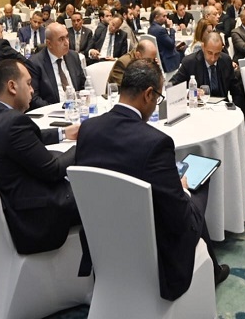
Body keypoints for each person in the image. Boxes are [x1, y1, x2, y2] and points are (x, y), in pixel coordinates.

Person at [75, 59, 229, 300]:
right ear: (148, 94)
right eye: (158, 98)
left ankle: (213, 270)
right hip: (156, 258)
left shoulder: (88, 129)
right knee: (198, 186)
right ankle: (212, 270)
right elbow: (179, 219)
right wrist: (183, 190)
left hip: (103, 245)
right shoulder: (155, 143)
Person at [0, 59, 80, 254]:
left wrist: (63, 133)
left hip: (14, 197)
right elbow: (53, 170)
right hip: (36, 215)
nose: (32, 91)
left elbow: (25, 140)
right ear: (12, 87)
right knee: (100, 193)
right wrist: (82, 145)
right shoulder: (14, 123)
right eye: (29, 84)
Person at [170, 32, 245, 115]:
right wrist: (189, 92)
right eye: (209, 53)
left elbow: (236, 91)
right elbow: (171, 86)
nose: (213, 58)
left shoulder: (226, 60)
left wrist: (236, 111)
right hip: (198, 111)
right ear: (203, 47)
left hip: (222, 110)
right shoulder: (190, 62)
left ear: (221, 49)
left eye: (217, 54)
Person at [26, 22, 86, 108]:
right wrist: (58, 109)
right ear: (49, 44)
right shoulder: (35, 63)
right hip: (52, 111)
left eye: (67, 37)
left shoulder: (73, 56)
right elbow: (34, 98)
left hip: (77, 108)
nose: (66, 43)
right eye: (61, 39)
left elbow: (83, 85)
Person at [148, 7, 184, 72]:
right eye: (164, 16)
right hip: (166, 61)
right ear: (156, 17)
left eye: (166, 16)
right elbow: (171, 45)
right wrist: (171, 28)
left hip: (161, 55)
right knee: (185, 52)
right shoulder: (161, 30)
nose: (166, 18)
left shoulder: (151, 28)